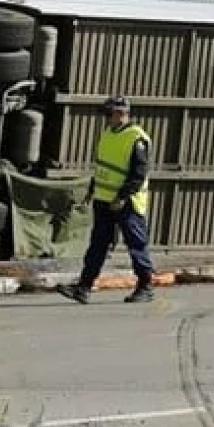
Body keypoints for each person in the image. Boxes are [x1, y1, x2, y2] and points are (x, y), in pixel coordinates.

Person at [58, 96, 157, 304]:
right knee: (98, 244)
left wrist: (122, 197)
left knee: (136, 244)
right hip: (104, 200)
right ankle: (84, 286)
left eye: (109, 114)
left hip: (126, 202)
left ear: (121, 113)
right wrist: (93, 189)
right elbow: (103, 166)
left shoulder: (137, 138)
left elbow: (138, 174)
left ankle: (146, 285)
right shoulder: (107, 134)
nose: (106, 118)